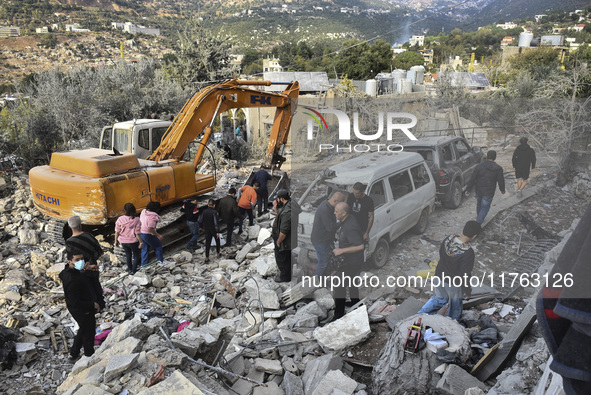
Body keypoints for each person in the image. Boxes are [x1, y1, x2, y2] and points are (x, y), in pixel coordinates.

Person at [418, 220, 481, 321]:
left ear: (463, 229)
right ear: (474, 237)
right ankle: (453, 323)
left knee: (438, 299)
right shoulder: (468, 252)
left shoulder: (449, 238)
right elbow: (464, 274)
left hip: (439, 276)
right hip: (452, 283)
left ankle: (420, 315)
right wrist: (467, 291)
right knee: (455, 306)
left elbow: (442, 254)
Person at [59, 248, 105, 361]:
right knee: (88, 334)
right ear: (69, 261)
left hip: (77, 307)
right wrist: (92, 305)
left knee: (83, 328)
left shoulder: (68, 272)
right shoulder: (73, 279)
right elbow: (76, 301)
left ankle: (74, 353)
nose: (80, 262)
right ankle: (89, 357)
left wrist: (88, 269)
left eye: (82, 259)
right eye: (77, 260)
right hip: (82, 308)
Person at [333, 202, 365, 319]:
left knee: (339, 286)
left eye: (336, 211)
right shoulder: (347, 219)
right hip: (350, 260)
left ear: (344, 213)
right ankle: (355, 303)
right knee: (351, 283)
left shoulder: (350, 227)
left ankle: (338, 314)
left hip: (352, 262)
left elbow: (360, 246)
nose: (334, 213)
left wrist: (341, 251)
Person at [465, 150, 505, 224]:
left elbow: (473, 178)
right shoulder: (498, 168)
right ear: (495, 158)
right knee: (485, 207)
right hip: (489, 191)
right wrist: (502, 189)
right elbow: (501, 180)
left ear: (487, 157)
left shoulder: (479, 166)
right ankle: (478, 223)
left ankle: (479, 218)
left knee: (479, 204)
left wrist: (468, 189)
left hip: (479, 189)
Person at [311, 191, 345, 276]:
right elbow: (330, 228)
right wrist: (341, 222)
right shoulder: (325, 209)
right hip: (320, 241)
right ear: (335, 201)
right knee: (322, 263)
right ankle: (317, 282)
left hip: (325, 239)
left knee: (328, 260)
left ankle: (324, 278)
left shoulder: (329, 205)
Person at [272, 189, 301, 283]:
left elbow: (284, 231)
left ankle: (285, 277)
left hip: (284, 240)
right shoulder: (288, 205)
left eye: (277, 198)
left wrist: (279, 241)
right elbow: (280, 216)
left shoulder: (288, 212)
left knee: (282, 257)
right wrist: (276, 208)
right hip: (286, 238)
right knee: (286, 256)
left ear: (281, 199)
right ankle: (287, 274)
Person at [114, 203, 142, 275]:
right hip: (133, 241)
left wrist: (116, 241)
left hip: (123, 241)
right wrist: (141, 242)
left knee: (128, 255)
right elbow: (137, 233)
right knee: (136, 255)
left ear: (124, 210)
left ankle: (130, 269)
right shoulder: (136, 220)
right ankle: (134, 270)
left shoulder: (120, 219)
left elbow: (117, 231)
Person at [140, 201, 164, 266]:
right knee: (158, 246)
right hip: (148, 234)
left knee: (145, 249)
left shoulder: (143, 211)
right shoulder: (153, 216)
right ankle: (160, 262)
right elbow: (150, 228)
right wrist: (158, 235)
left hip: (141, 232)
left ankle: (144, 264)